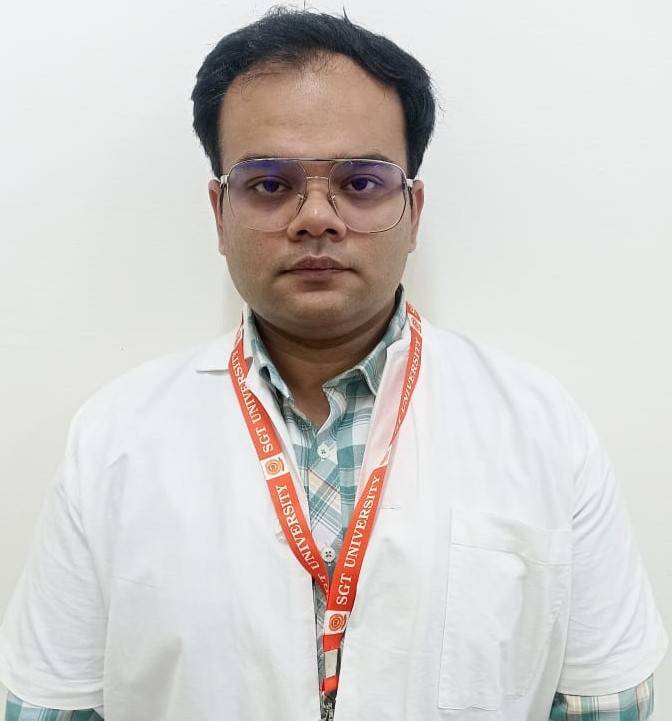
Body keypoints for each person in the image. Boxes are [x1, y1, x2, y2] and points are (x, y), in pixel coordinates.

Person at [0, 7, 667, 721]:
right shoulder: (114, 436)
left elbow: (607, 702)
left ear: (413, 211)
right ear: (218, 213)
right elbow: (52, 706)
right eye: (268, 183)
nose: (316, 216)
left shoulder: (541, 427)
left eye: (361, 182)